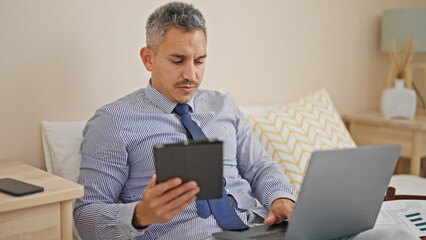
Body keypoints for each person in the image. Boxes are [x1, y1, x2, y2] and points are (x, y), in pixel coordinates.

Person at [74, 2, 417, 240]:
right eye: (178, 60)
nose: (191, 74)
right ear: (148, 58)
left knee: (392, 234)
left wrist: (281, 198)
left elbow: (261, 167)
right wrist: (139, 215)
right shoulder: (113, 122)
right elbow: (85, 216)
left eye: (200, 60)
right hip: (195, 235)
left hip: (260, 228)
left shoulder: (222, 105)